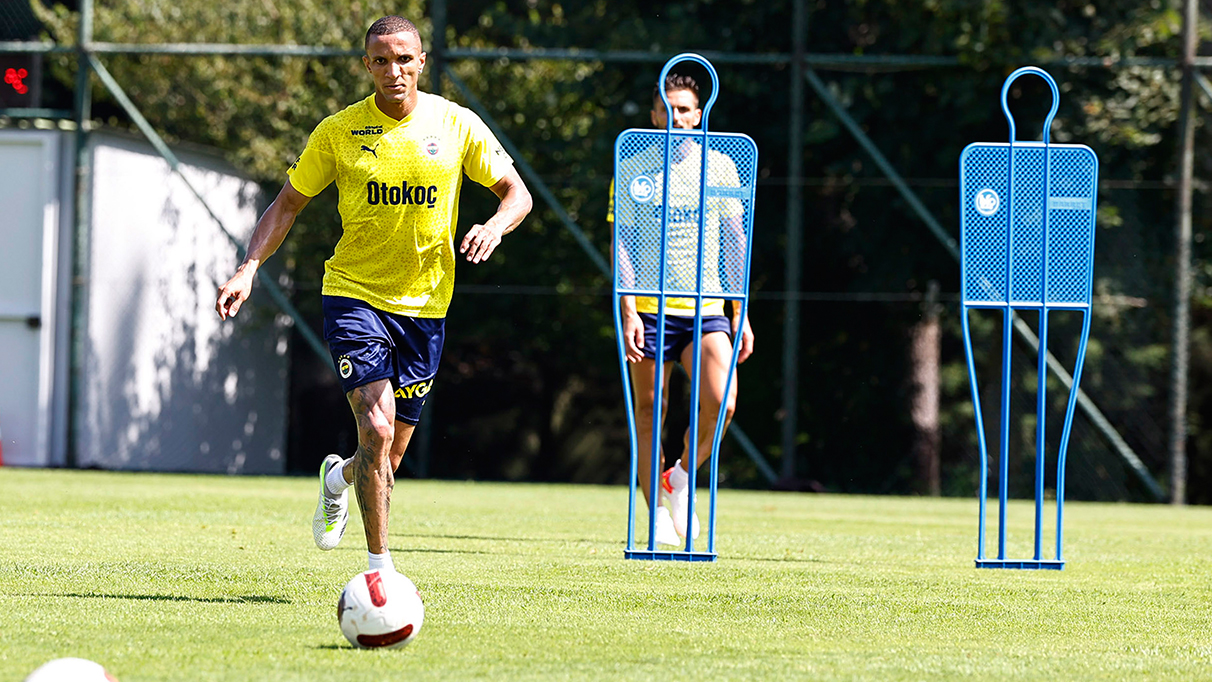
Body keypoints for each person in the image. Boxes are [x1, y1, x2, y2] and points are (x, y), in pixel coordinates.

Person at [216, 15, 532, 573]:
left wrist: (493, 226)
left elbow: (516, 194)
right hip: (354, 294)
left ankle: (337, 477)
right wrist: (249, 268)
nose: (394, 71)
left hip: (426, 306)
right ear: (367, 66)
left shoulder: (456, 124)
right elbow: (288, 203)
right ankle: (380, 571)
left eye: (404, 59)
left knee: (386, 454)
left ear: (421, 62)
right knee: (377, 426)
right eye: (381, 61)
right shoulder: (338, 131)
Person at [608, 74, 754, 545]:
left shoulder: (722, 169)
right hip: (648, 309)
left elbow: (734, 242)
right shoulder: (632, 168)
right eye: (668, 109)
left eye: (685, 109)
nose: (677, 118)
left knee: (723, 401)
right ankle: (655, 517)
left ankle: (683, 473)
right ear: (654, 115)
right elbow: (622, 244)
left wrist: (741, 312)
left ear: (699, 113)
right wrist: (628, 310)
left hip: (705, 306)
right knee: (651, 410)